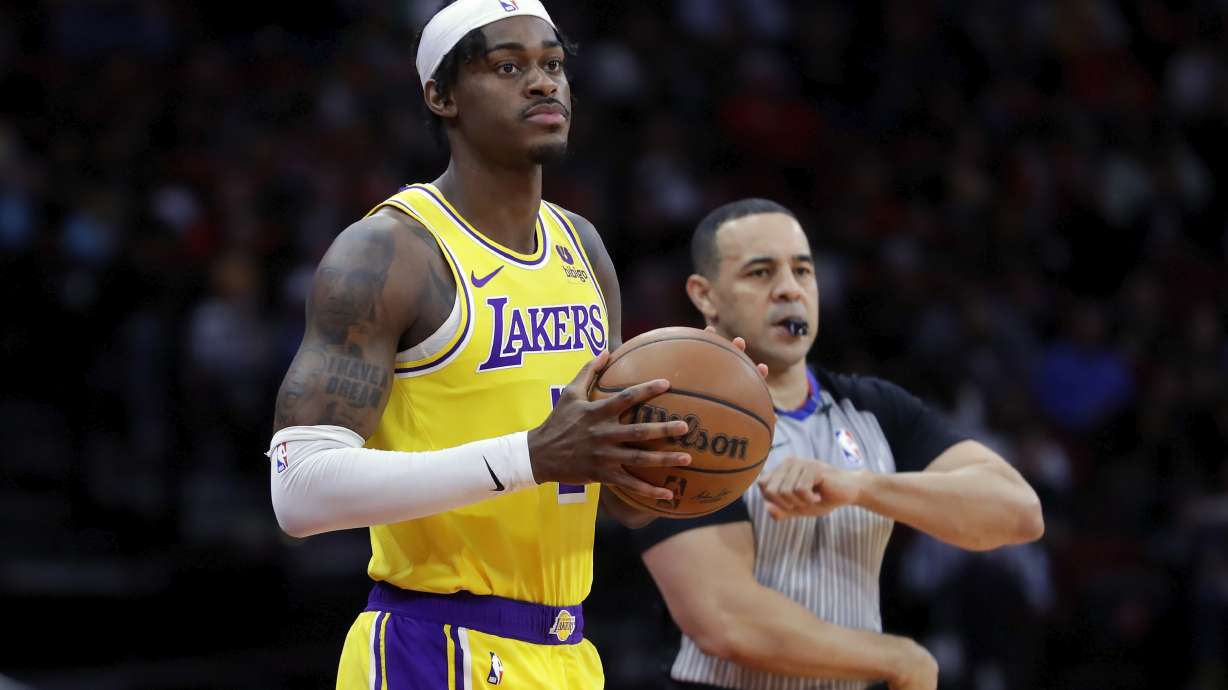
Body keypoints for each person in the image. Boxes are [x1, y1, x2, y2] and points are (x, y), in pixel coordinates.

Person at [265, 2, 715, 687]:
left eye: (553, 65)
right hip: (432, 644)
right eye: (508, 67)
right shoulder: (390, 251)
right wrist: (529, 457)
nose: (542, 83)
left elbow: (616, 491)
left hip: (568, 649)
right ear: (440, 95)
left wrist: (704, 429)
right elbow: (297, 494)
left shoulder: (583, 247)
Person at [632, 199, 1046, 690]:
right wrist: (896, 657)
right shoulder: (669, 417)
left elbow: (1019, 513)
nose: (789, 289)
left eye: (802, 271)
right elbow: (725, 620)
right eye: (760, 273)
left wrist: (859, 486)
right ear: (706, 296)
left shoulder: (876, 408)